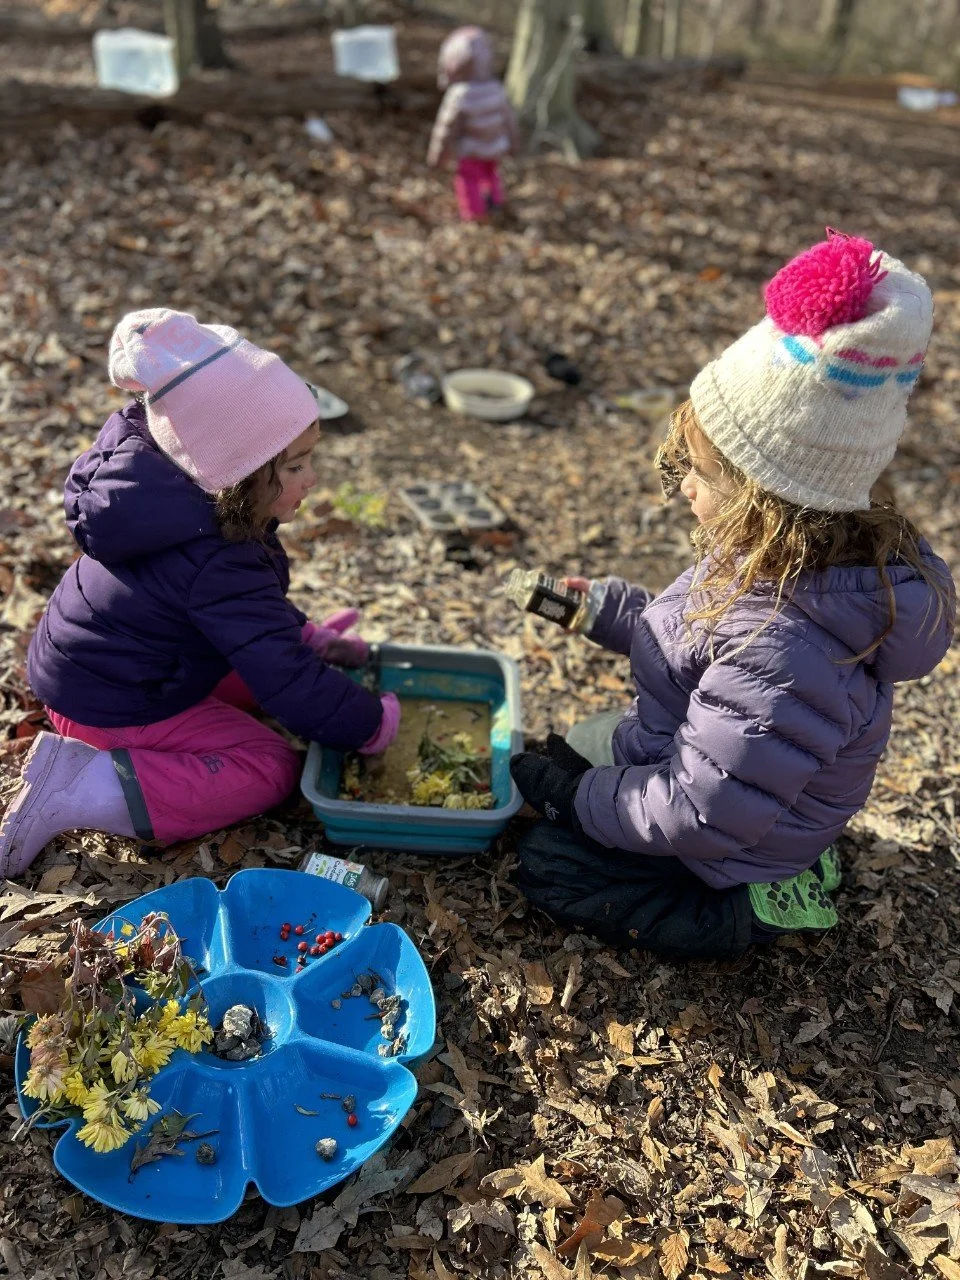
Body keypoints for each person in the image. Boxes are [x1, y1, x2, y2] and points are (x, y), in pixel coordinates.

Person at [510, 232, 955, 960]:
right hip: (731, 780)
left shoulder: (783, 651)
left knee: (550, 863)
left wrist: (577, 802)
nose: (685, 485)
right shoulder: (781, 553)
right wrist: (608, 613)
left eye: (702, 472)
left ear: (765, 496)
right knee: (581, 745)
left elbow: (698, 811)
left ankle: (748, 908)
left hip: (729, 844)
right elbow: (699, 636)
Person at [0, 310, 400, 877]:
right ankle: (83, 786)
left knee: (266, 672)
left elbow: (242, 621)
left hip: (98, 669)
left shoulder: (172, 495)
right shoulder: (218, 555)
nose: (312, 479)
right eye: (295, 466)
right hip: (110, 705)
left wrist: (301, 635)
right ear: (238, 472)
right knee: (271, 764)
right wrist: (371, 726)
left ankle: (95, 764)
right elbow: (281, 672)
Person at [427, 26, 519, 223]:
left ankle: (474, 213)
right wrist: (513, 142)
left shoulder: (458, 95)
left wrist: (438, 156)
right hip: (494, 146)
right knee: (490, 173)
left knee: (469, 178)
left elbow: (445, 129)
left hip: (471, 150)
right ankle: (496, 202)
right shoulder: (496, 89)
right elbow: (509, 119)